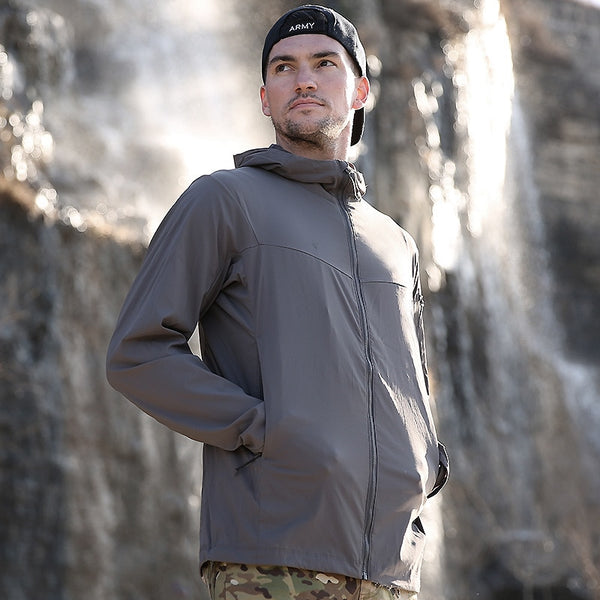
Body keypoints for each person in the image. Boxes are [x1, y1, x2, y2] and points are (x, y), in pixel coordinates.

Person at [106, 4, 448, 600]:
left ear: (361, 89)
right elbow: (138, 353)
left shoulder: (396, 243)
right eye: (284, 68)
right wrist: (264, 428)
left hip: (393, 572)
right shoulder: (223, 200)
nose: (304, 79)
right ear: (265, 97)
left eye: (324, 63)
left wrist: (425, 461)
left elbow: (411, 382)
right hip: (272, 562)